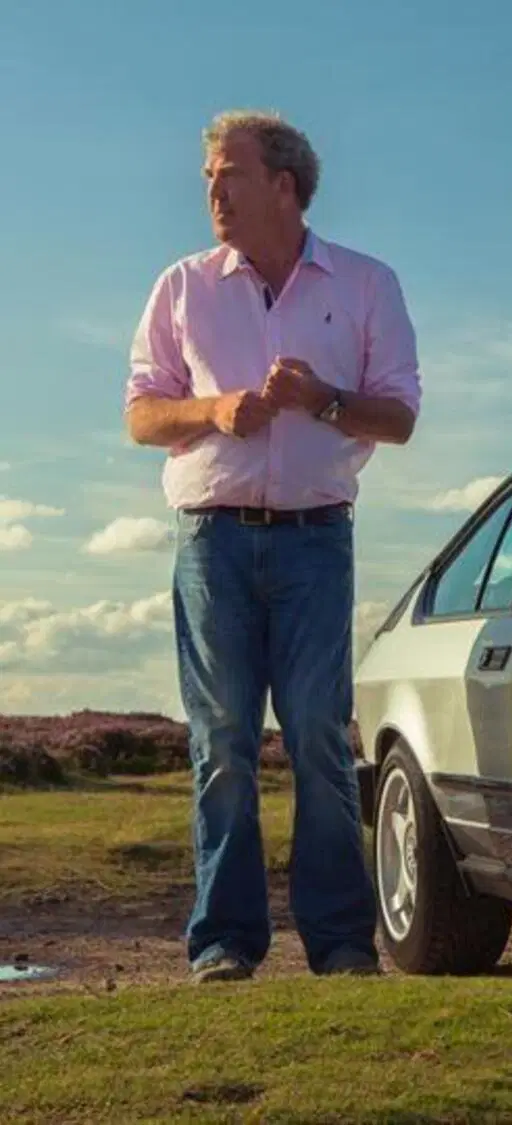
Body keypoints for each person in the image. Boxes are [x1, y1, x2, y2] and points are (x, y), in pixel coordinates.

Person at [124, 109, 421, 982]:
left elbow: (399, 414)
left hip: (316, 540)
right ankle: (224, 940)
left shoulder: (366, 283)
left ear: (284, 186)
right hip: (210, 541)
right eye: (208, 177)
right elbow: (142, 413)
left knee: (320, 736)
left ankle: (341, 943)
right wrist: (213, 410)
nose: (212, 191)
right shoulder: (182, 286)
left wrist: (323, 398)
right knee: (221, 740)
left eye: (231, 173)